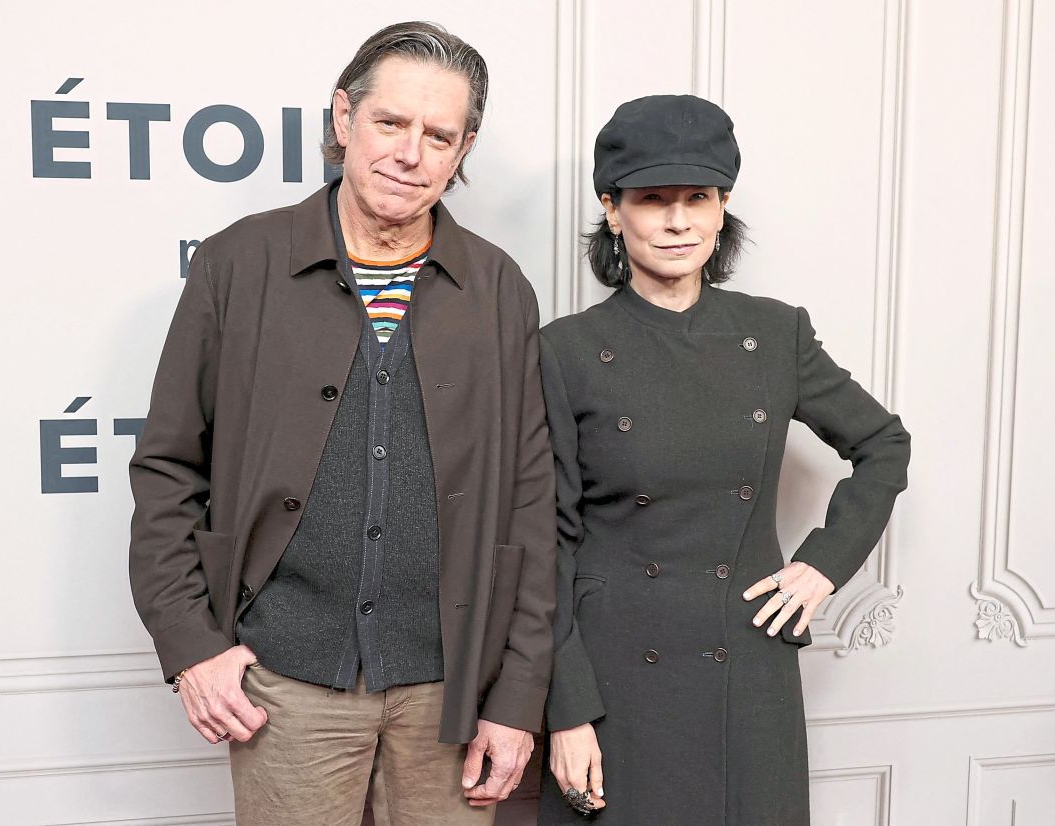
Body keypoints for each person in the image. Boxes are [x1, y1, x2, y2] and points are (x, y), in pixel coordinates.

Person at [128, 22, 555, 826]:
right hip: (283, 683)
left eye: (439, 135)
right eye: (391, 123)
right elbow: (167, 470)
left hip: (452, 692)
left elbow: (532, 506)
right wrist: (192, 646)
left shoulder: (500, 290)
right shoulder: (236, 265)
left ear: (463, 150)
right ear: (342, 118)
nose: (410, 153)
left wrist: (519, 694)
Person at [537, 95, 911, 825]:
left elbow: (883, 444)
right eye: (652, 200)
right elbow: (545, 544)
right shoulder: (564, 350)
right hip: (616, 682)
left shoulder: (775, 334)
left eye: (696, 198)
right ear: (613, 210)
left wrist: (823, 563)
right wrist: (567, 711)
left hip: (747, 663)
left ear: (722, 206)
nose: (678, 221)